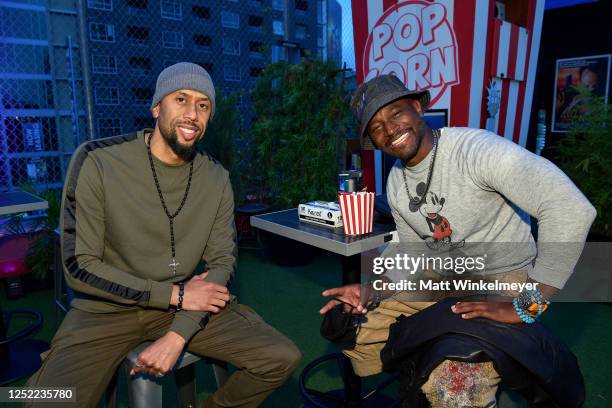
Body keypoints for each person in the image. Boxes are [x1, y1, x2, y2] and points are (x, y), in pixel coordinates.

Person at [27, 62, 301, 407]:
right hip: (105, 309)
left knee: (280, 357)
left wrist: (177, 334)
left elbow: (222, 261)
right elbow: (79, 266)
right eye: (181, 99)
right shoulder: (98, 160)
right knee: (41, 399)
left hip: (183, 304)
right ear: (156, 107)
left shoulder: (216, 177)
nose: (192, 114)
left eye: (203, 105)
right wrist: (176, 295)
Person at [320, 75, 596, 407]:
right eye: (377, 127)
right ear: (373, 142)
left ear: (418, 108)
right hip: (442, 274)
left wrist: (528, 306)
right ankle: (422, 364)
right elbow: (410, 251)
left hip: (503, 277)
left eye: (395, 113)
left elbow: (571, 208)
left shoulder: (476, 150)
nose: (390, 129)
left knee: (454, 386)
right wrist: (373, 288)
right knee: (351, 325)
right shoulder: (396, 181)